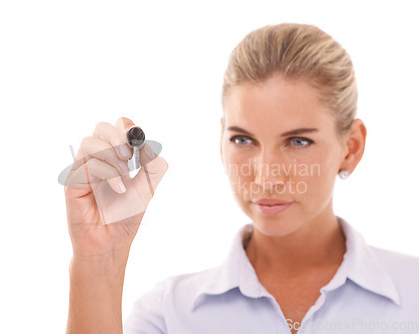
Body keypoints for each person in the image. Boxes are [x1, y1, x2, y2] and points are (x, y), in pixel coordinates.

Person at [63, 23, 419, 334]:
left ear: (351, 148)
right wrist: (99, 260)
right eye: (243, 139)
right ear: (222, 141)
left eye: (298, 141)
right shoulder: (169, 315)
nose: (265, 177)